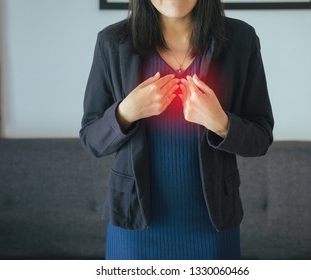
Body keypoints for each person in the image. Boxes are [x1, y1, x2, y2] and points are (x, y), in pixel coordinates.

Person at [80, 0, 273, 260]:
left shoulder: (240, 39)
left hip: (213, 225)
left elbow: (260, 138)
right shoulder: (113, 42)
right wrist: (126, 112)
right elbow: (92, 139)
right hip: (135, 226)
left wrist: (220, 122)